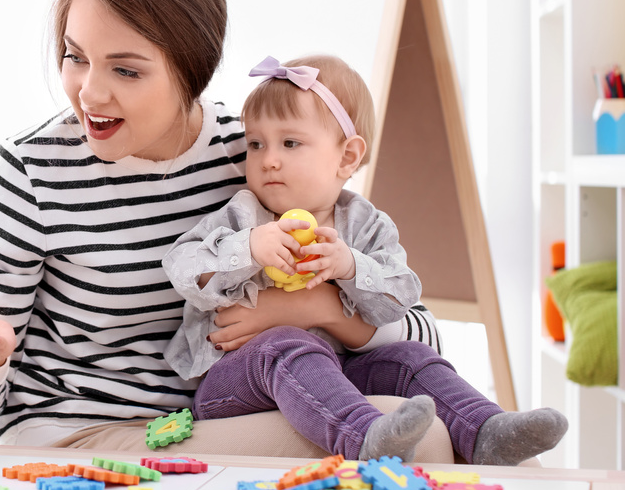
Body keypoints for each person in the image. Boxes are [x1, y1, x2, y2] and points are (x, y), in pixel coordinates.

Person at [0, 0, 456, 457]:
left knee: (423, 427)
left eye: (125, 69)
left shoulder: (256, 156)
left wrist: (315, 310)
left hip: (204, 421)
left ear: (194, 71)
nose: (89, 91)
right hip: (76, 436)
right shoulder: (30, 169)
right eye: (75, 56)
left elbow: (422, 334)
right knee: (414, 441)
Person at [162, 54, 568, 465]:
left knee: (413, 359)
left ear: (347, 157)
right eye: (255, 144)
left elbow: (402, 297)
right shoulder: (244, 214)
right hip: (236, 381)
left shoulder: (366, 224)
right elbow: (181, 266)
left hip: (340, 375)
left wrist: (351, 267)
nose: (268, 159)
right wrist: (247, 247)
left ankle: (486, 431)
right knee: (288, 345)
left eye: (290, 143)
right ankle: (363, 436)